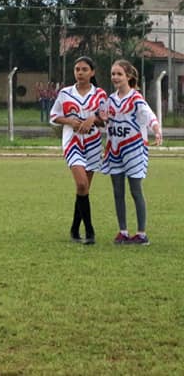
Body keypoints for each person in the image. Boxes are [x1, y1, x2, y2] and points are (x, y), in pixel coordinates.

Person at [101, 60, 162, 246]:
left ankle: (141, 233)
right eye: (113, 74)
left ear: (128, 76)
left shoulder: (136, 98)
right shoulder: (110, 100)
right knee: (118, 191)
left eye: (119, 74)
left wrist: (157, 130)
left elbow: (149, 116)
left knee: (135, 190)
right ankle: (123, 231)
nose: (115, 77)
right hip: (115, 150)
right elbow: (105, 121)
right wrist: (102, 120)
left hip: (134, 149)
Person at [49, 57, 107, 244]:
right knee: (82, 184)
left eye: (84, 69)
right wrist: (70, 121)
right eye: (77, 69)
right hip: (72, 141)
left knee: (84, 188)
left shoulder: (100, 94)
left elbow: (105, 119)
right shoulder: (65, 93)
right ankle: (90, 231)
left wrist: (93, 119)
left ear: (92, 72)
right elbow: (54, 116)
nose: (80, 72)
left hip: (92, 143)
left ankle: (74, 229)